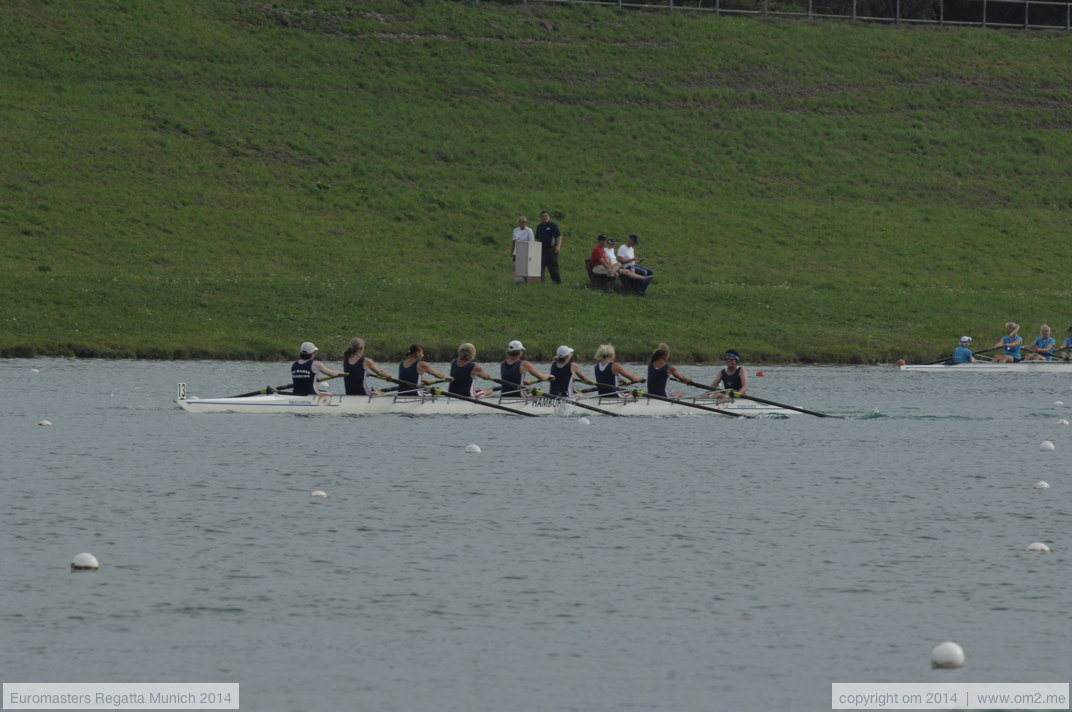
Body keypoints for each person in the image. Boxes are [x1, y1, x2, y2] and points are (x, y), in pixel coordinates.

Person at [533, 210, 562, 284]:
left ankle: (556, 282)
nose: (544, 218)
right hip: (541, 250)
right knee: (540, 266)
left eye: (546, 216)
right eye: (543, 216)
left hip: (551, 249)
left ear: (549, 217)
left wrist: (558, 246)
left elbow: (559, 236)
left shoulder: (553, 225)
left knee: (553, 266)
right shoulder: (539, 227)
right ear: (540, 218)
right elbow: (537, 238)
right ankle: (540, 282)